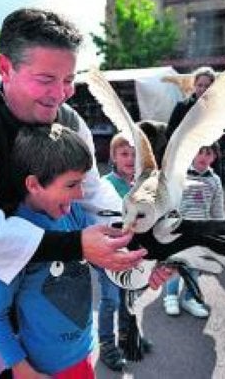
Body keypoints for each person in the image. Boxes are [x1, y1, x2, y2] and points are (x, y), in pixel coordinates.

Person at [0, 8, 151, 379]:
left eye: (69, 79)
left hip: (43, 288)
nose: (60, 94)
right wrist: (77, 246)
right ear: (5, 67)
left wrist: (140, 243)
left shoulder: (71, 121)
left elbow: (93, 199)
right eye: (46, 79)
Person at [0, 124, 99, 378]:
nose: (81, 194)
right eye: (72, 184)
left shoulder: (74, 213)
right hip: (45, 370)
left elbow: (103, 259)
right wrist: (22, 369)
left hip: (84, 353)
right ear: (34, 185)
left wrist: (141, 267)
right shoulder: (14, 238)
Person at [163, 143, 224, 318]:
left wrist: (218, 231)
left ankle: (190, 298)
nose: (204, 157)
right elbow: (170, 201)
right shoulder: (180, 175)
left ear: (214, 157)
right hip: (178, 230)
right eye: (200, 152)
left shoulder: (215, 180)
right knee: (174, 264)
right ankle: (171, 296)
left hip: (200, 233)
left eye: (209, 153)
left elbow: (217, 208)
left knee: (195, 267)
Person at [97, 132, 134, 371]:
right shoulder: (106, 184)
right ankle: (106, 345)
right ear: (113, 156)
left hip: (130, 253)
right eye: (124, 154)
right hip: (109, 253)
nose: (130, 159)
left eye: (133, 154)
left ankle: (126, 338)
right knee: (110, 299)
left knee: (126, 298)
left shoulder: (138, 183)